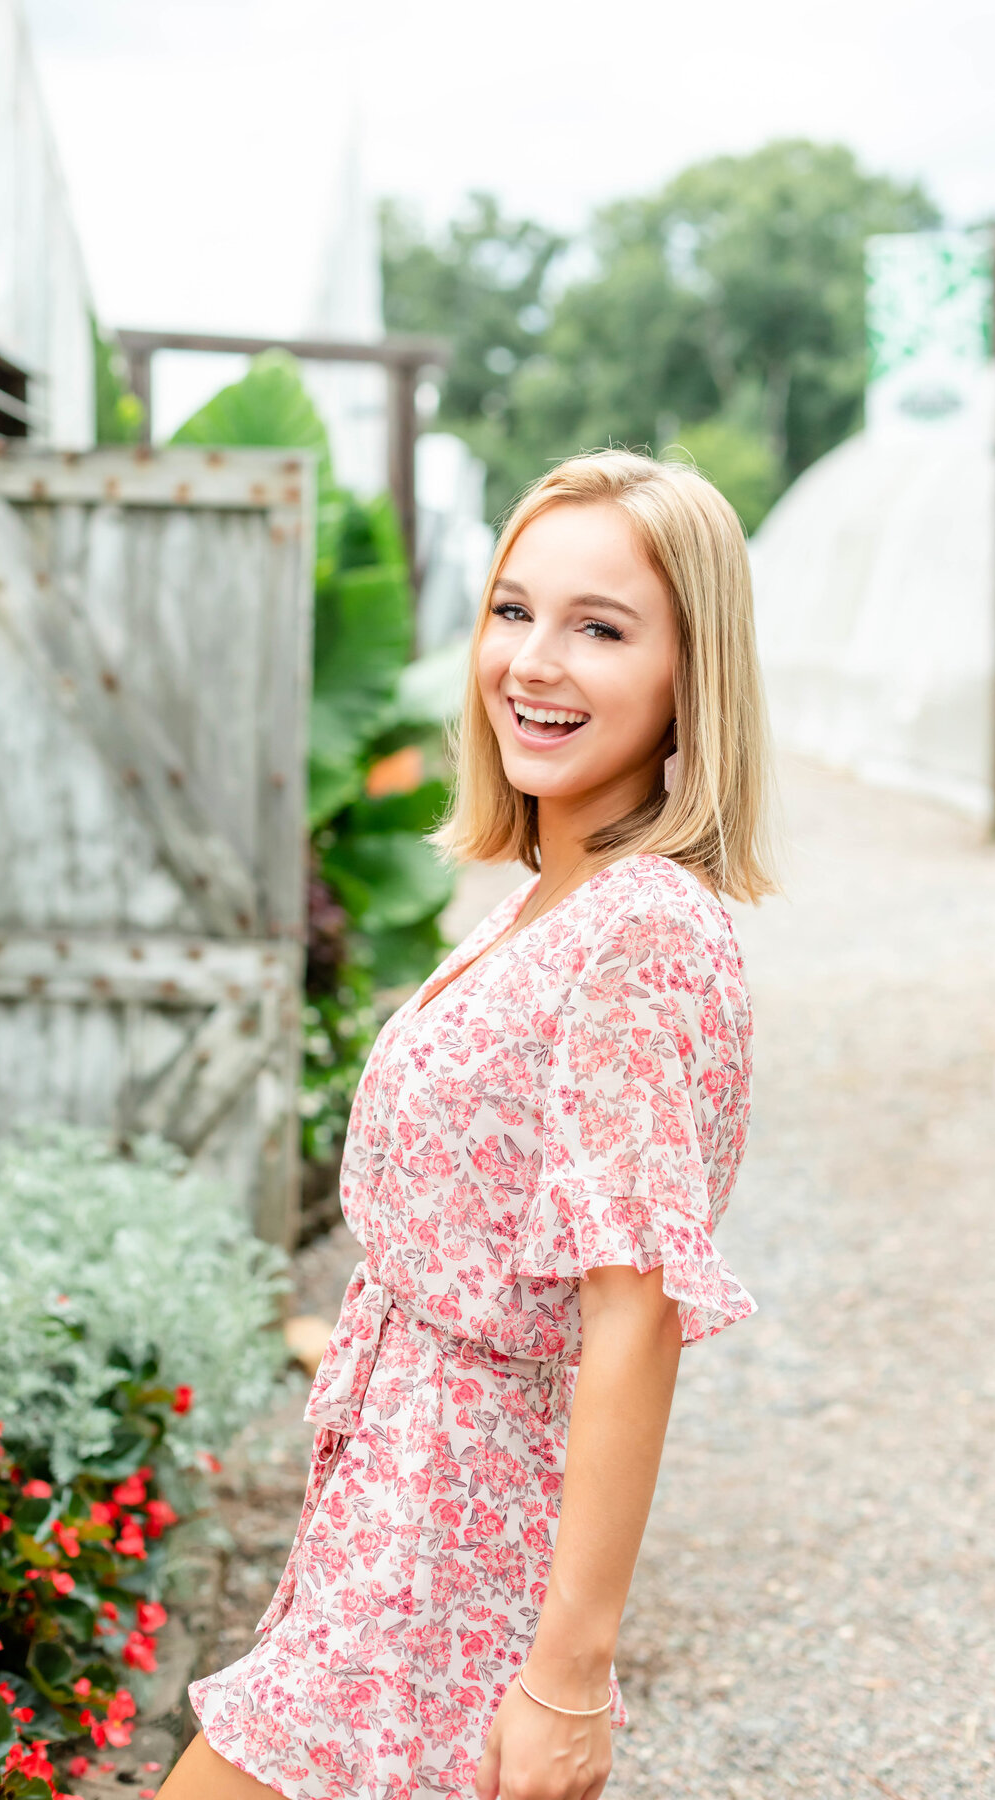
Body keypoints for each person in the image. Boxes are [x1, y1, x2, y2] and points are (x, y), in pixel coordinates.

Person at [159, 448, 778, 1800]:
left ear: (691, 675)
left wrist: (569, 1678)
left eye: (600, 628)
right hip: (386, 1508)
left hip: (451, 1542)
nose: (535, 662)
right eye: (513, 610)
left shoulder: (643, 928)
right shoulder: (548, 891)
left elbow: (635, 1311)